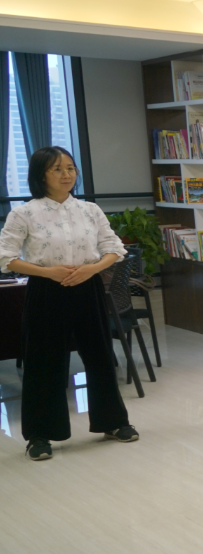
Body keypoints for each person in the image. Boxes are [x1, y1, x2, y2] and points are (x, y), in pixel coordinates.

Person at [0, 146, 138, 461]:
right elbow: (6, 258)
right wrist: (47, 272)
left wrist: (93, 268)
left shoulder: (90, 210)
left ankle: (113, 422)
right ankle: (39, 435)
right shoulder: (24, 213)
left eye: (70, 168)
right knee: (43, 362)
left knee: (100, 355)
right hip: (46, 290)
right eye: (57, 169)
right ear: (41, 176)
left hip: (88, 287)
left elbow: (114, 248)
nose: (66, 174)